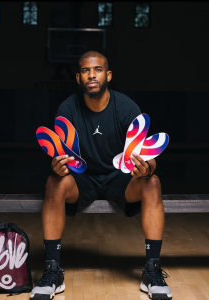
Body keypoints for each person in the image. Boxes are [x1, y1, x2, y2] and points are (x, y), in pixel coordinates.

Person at [30, 51, 172, 300]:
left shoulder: (127, 107)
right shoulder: (67, 109)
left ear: (108, 75)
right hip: (82, 179)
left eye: (97, 69)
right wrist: (57, 165)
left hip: (120, 177)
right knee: (54, 183)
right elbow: (61, 154)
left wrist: (146, 167)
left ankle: (152, 269)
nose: (91, 75)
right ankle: (52, 270)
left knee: (153, 183)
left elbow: (149, 157)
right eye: (85, 71)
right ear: (78, 77)